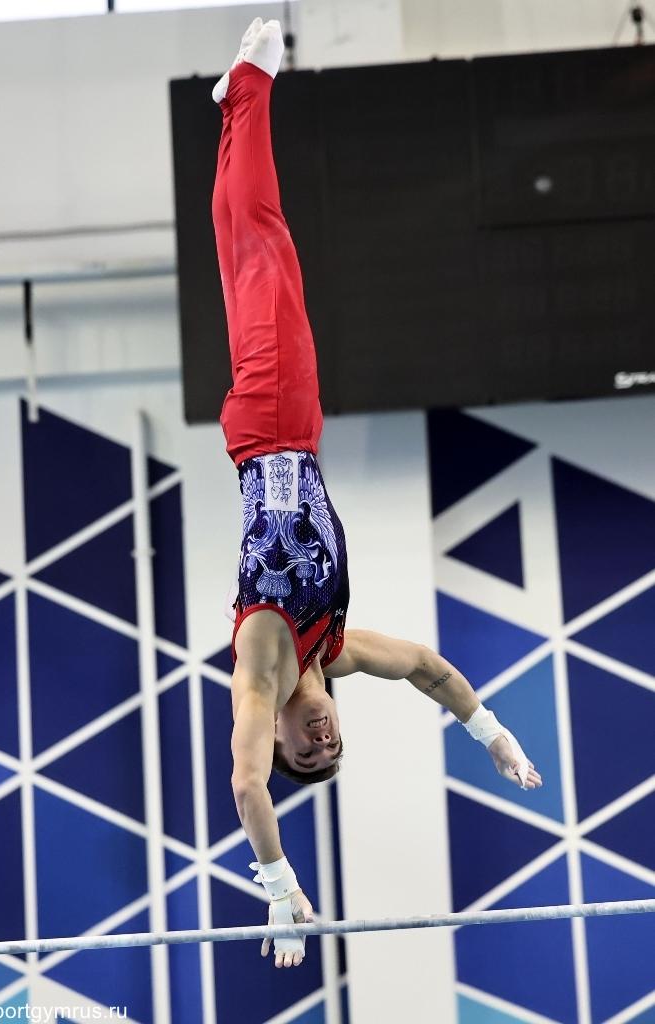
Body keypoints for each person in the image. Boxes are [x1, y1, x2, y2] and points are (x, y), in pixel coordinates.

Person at [210, 18, 543, 970]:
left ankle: (249, 86)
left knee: (263, 247)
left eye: (305, 749)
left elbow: (245, 788)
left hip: (271, 423)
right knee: (246, 253)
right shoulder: (334, 650)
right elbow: (429, 668)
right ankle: (233, 111)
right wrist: (490, 735)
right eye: (332, 749)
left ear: (279, 733)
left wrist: (279, 886)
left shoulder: (262, 669)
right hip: (293, 429)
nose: (321, 738)